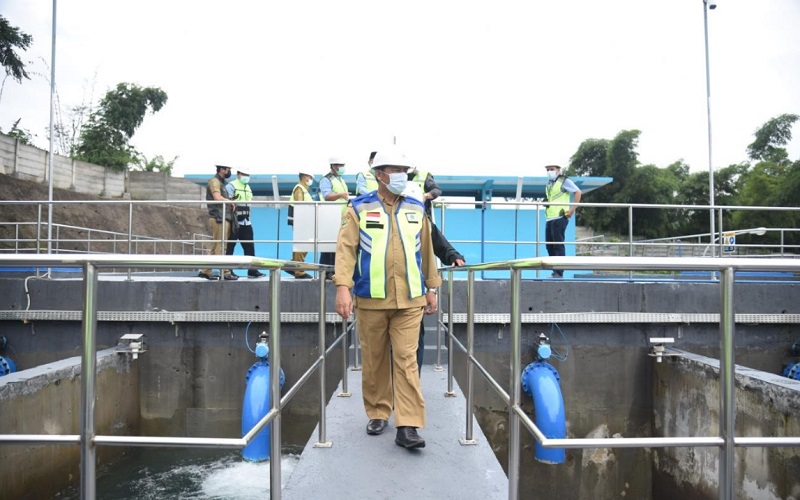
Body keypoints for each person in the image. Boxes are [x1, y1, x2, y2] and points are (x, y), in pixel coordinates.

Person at [334, 147, 441, 450]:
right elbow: (345, 251)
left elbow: (426, 252)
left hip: (410, 300)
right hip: (371, 298)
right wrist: (343, 287)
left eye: (404, 171)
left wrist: (432, 287)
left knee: (406, 360)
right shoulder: (358, 208)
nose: (401, 177)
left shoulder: (416, 208)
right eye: (394, 171)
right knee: (375, 358)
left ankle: (407, 425)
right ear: (379, 174)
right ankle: (379, 411)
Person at [199, 165, 238, 281]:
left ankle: (205, 271)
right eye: (228, 169)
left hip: (223, 217)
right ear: (222, 170)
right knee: (221, 246)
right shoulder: (214, 182)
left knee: (215, 246)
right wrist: (229, 202)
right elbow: (217, 197)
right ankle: (225, 271)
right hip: (219, 217)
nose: (229, 171)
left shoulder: (222, 184)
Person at [544, 164, 581, 278]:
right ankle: (554, 270)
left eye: (552, 169)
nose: (550, 171)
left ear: (558, 170)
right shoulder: (550, 184)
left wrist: (572, 209)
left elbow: (578, 192)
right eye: (548, 170)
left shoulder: (564, 181)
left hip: (559, 217)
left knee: (558, 245)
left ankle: (559, 272)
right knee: (549, 246)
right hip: (549, 218)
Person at [225, 169, 264, 278]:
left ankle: (252, 270)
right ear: (238, 175)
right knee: (230, 246)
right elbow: (228, 203)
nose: (246, 176)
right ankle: (228, 271)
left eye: (247, 174)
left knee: (249, 247)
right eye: (244, 174)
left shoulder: (248, 187)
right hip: (234, 221)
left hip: (246, 221)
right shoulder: (231, 186)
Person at [318, 156, 350, 273]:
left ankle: (335, 271)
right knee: (328, 247)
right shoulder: (326, 179)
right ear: (333, 166)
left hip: (341, 217)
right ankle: (326, 272)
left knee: (338, 246)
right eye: (339, 165)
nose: (342, 168)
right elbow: (327, 196)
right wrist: (340, 194)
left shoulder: (340, 179)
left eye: (342, 165)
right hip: (330, 217)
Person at [287, 172, 314, 280]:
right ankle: (298, 271)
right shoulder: (299, 188)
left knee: (303, 245)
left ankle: (291, 266)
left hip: (304, 220)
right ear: (304, 177)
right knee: (301, 246)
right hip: (301, 220)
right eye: (310, 177)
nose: (311, 179)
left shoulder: (304, 189)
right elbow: (300, 205)